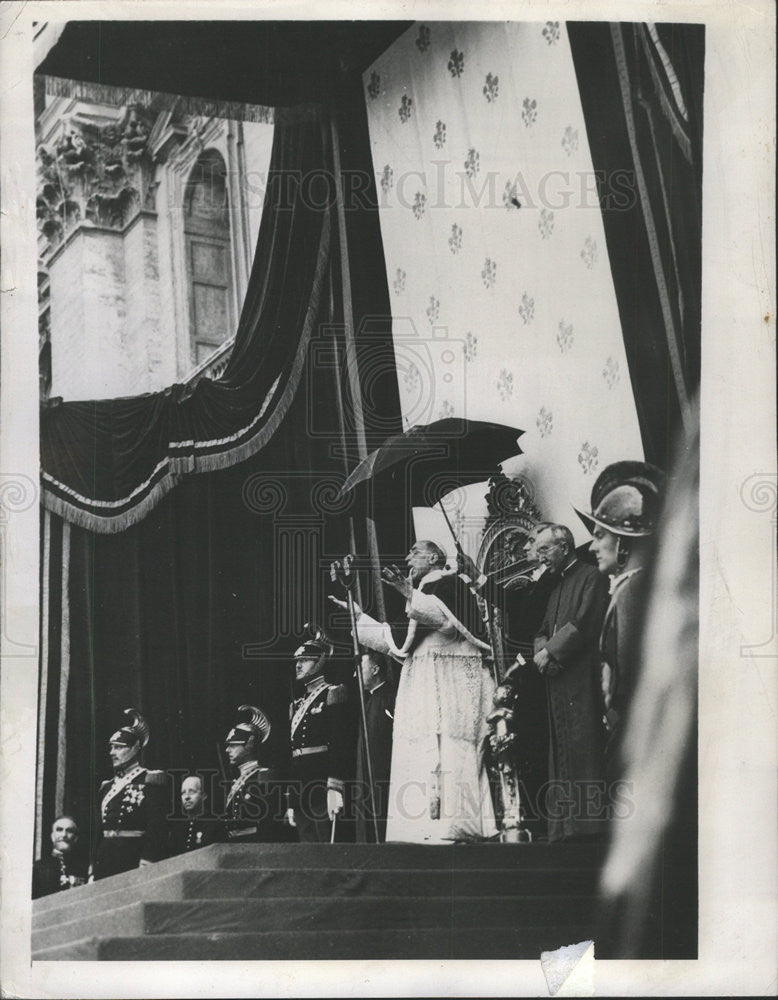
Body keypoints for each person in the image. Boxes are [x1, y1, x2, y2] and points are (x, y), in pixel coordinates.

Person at [335, 540, 496, 844]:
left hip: (451, 678)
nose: (407, 556)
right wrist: (359, 618)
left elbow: (447, 622)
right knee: (420, 748)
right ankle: (421, 829)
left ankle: (458, 826)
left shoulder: (452, 584)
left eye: (415, 551)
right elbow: (395, 641)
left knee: (450, 746)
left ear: (435, 556)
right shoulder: (420, 594)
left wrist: (409, 594)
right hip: (423, 680)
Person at [575, 461, 665, 772]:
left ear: (624, 541)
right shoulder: (629, 588)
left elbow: (629, 678)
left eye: (600, 536)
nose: (593, 547)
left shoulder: (631, 593)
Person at [533, 525, 610, 842]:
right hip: (557, 679)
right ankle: (564, 827)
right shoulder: (555, 587)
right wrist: (542, 652)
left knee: (584, 745)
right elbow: (542, 629)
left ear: (564, 547)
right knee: (562, 749)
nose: (540, 558)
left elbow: (584, 623)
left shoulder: (592, 576)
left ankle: (587, 827)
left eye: (545, 550)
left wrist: (551, 651)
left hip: (580, 678)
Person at [285, 632, 352, 842]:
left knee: (327, 849)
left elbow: (341, 743)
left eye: (304, 660)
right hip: (300, 789)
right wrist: (291, 801)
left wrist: (335, 786)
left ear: (319, 662)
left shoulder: (333, 693)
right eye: (298, 661)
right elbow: (293, 754)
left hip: (322, 783)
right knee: (307, 852)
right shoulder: (296, 705)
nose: (298, 665)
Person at [92, 707, 169, 880]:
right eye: (111, 748)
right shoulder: (106, 786)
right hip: (104, 859)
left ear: (135, 748)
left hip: (131, 858)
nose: (112, 753)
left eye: (119, 747)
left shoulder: (150, 780)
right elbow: (98, 830)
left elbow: (156, 826)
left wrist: (148, 860)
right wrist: (93, 865)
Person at [223, 704, 285, 842]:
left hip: (255, 846)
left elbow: (269, 822)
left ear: (249, 743)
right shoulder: (236, 781)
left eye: (233, 745)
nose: (228, 750)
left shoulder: (264, 776)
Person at [354, 651, 395, 843]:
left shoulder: (389, 698)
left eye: (360, 669)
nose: (356, 675)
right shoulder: (368, 701)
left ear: (375, 669)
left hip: (385, 779)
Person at [32, 815, 88, 898]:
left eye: (69, 831)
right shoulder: (38, 868)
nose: (64, 834)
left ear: (75, 838)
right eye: (59, 830)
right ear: (52, 837)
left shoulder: (84, 867)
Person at [168, 774, 223, 856]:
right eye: (183, 793)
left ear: (203, 796)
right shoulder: (178, 829)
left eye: (192, 792)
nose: (186, 797)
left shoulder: (215, 825)